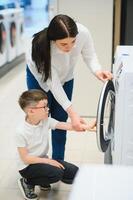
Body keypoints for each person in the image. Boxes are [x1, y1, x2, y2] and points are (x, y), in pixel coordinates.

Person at [26, 14, 112, 160]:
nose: (70, 47)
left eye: (73, 42)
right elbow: (53, 84)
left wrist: (98, 70)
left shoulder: (83, 32)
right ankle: (36, 166)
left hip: (66, 77)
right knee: (38, 120)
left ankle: (58, 164)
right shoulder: (40, 49)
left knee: (60, 118)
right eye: (64, 44)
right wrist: (74, 113)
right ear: (53, 41)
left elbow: (90, 55)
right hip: (40, 79)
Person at [16, 89, 96, 200]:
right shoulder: (21, 131)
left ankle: (43, 177)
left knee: (74, 173)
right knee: (56, 174)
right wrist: (49, 161)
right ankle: (27, 182)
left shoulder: (45, 121)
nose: (47, 109)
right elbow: (26, 158)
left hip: (42, 161)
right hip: (28, 167)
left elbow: (65, 125)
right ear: (31, 111)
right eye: (44, 107)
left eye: (47, 106)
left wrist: (86, 127)